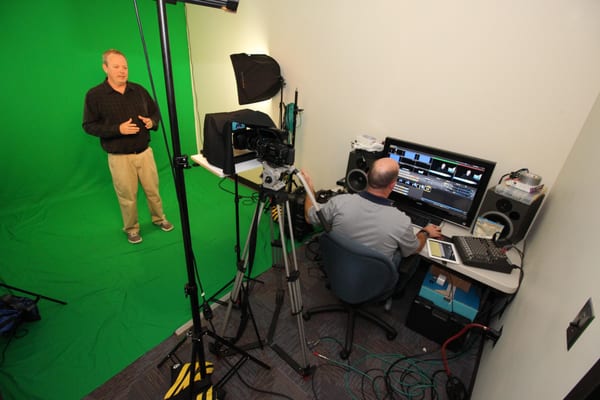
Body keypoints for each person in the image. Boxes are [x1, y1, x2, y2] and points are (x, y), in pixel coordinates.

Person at [303, 158, 443, 303]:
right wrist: (425, 233)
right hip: (374, 284)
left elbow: (309, 216)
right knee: (402, 253)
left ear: (367, 175)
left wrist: (309, 187)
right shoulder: (401, 221)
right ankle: (396, 292)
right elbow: (414, 249)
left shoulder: (339, 202)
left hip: (338, 272)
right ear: (393, 185)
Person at [83, 49, 173, 244]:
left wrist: (151, 122)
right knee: (127, 196)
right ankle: (132, 229)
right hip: (119, 157)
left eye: (125, 67)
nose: (122, 71)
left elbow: (155, 113)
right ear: (105, 68)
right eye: (116, 66)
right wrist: (118, 129)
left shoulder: (139, 90)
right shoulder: (94, 95)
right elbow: (88, 126)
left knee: (153, 191)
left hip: (145, 153)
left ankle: (159, 219)